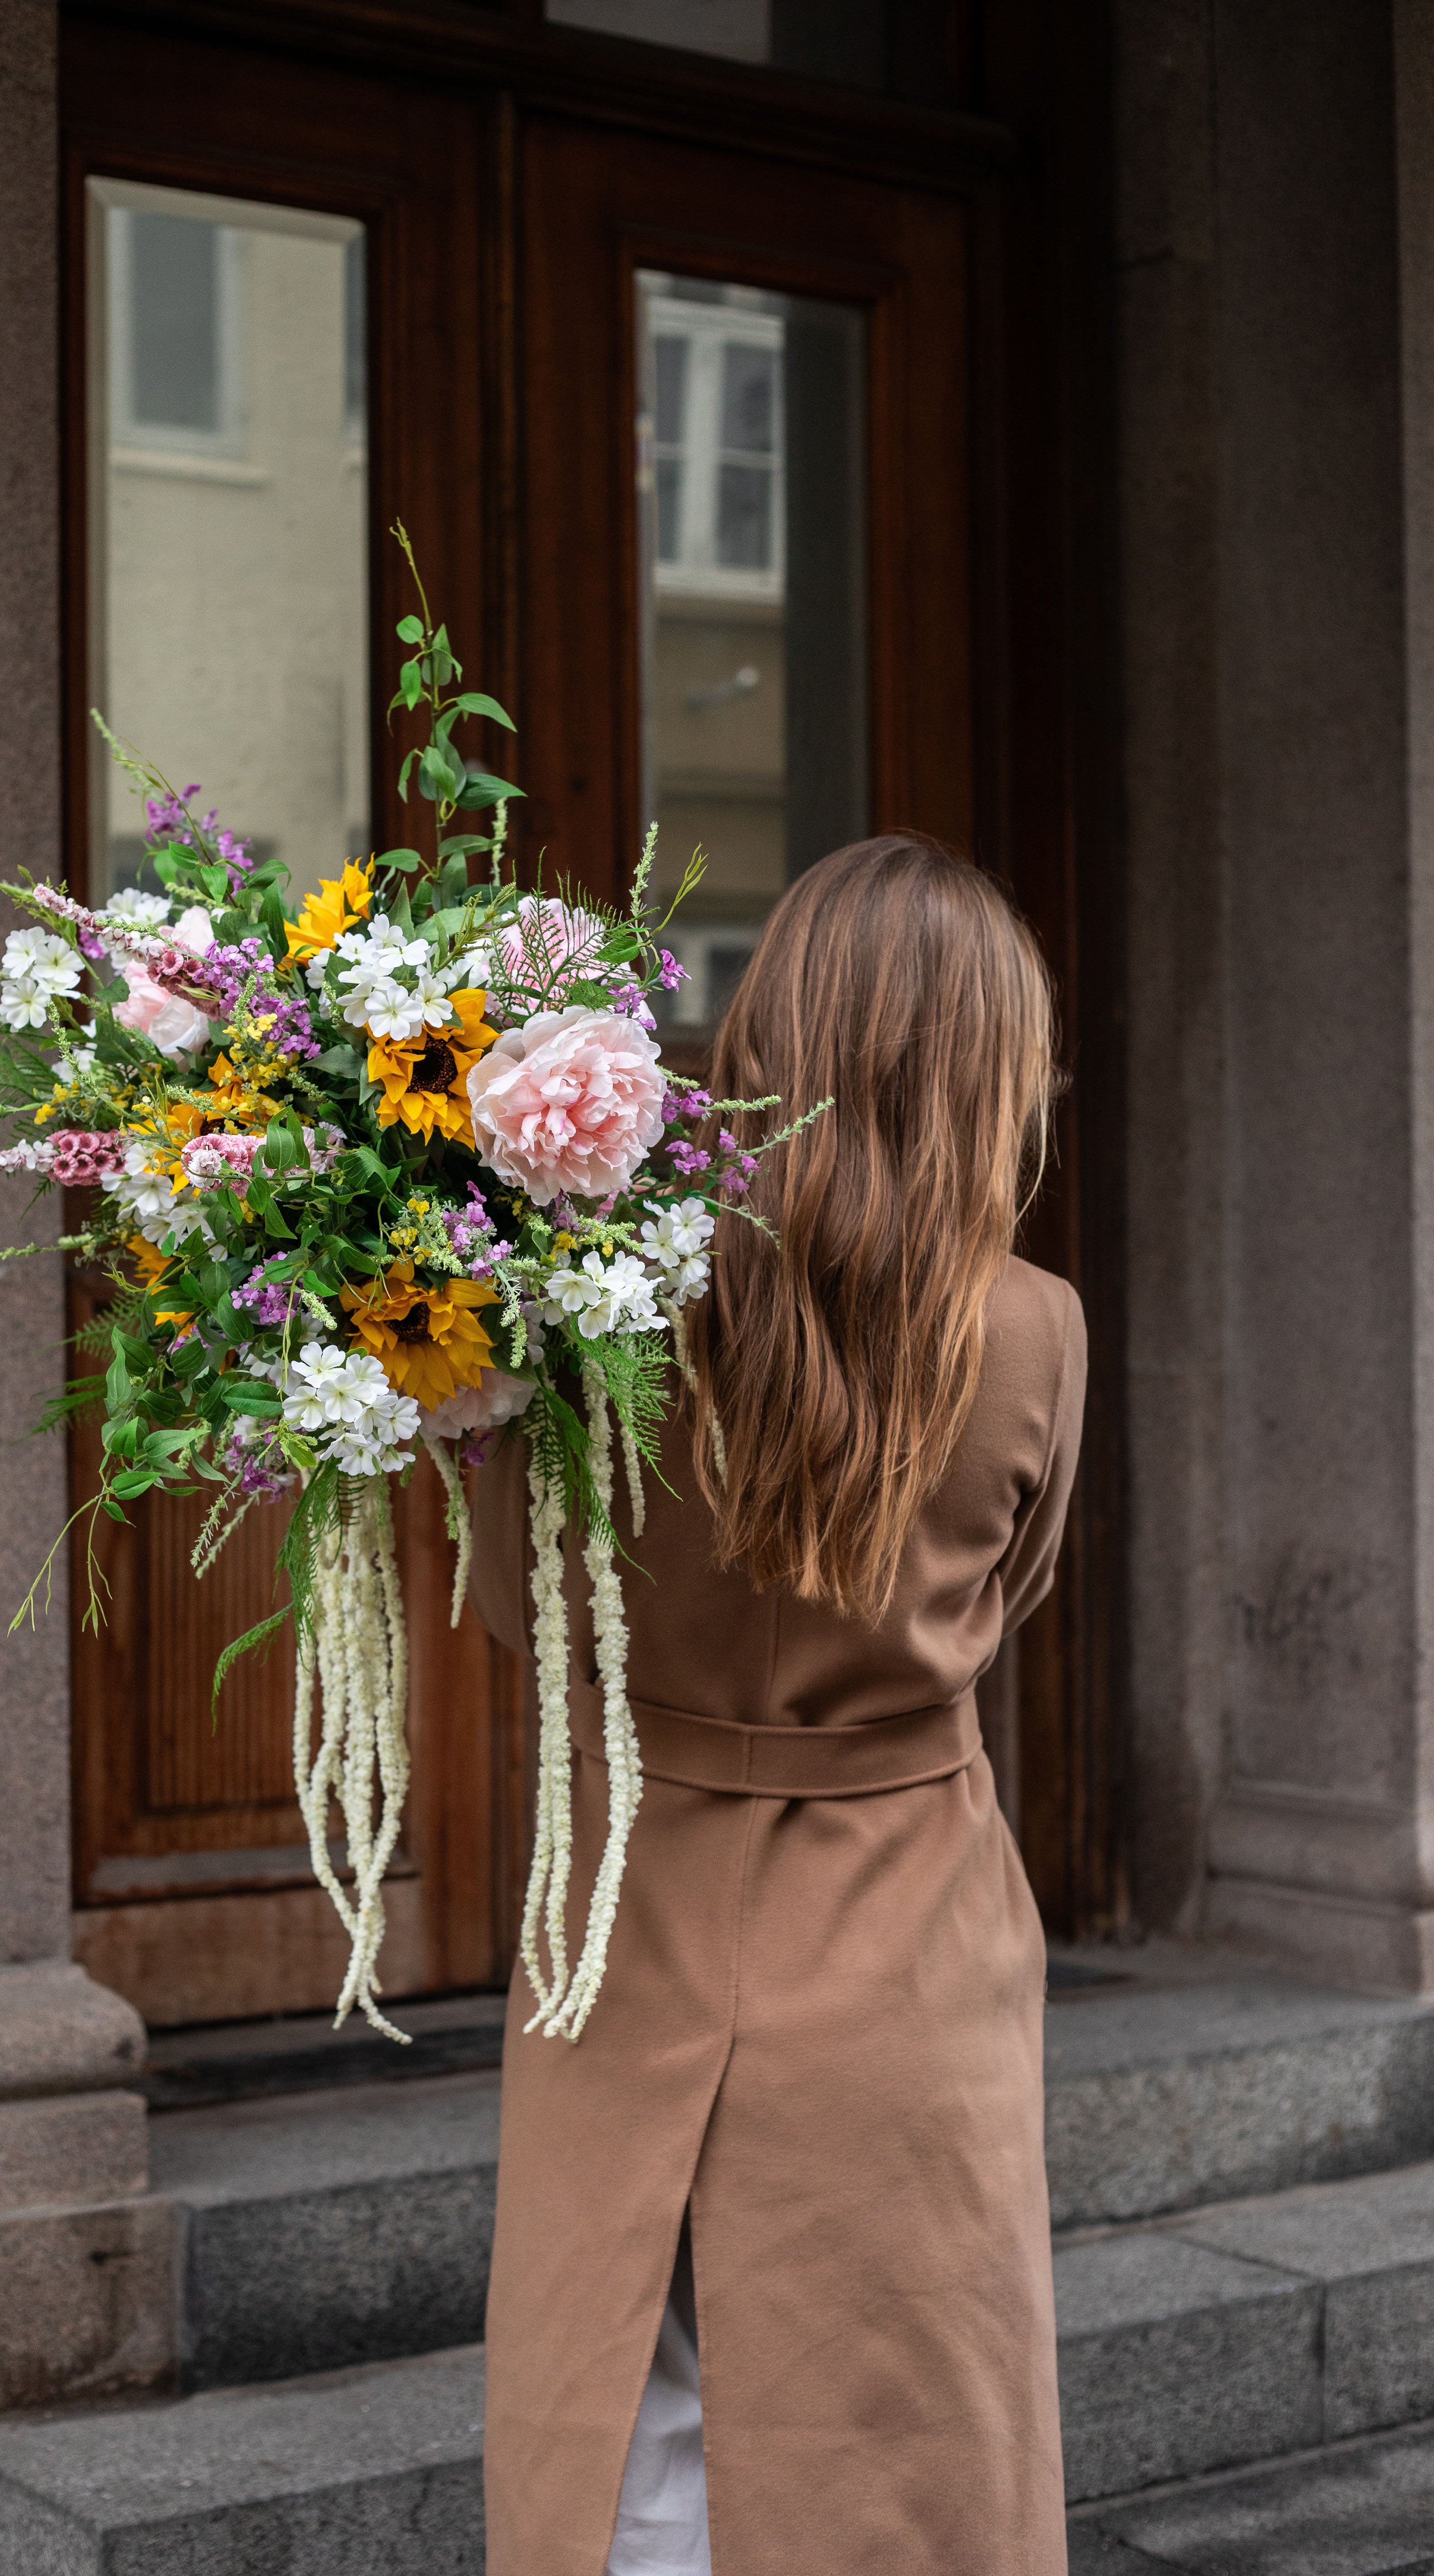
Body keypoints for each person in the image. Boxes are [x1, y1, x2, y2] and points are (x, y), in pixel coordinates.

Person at [469, 836, 1087, 2576]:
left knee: (625, 2411)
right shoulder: (1032, 1330)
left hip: (632, 1897)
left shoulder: (593, 1308)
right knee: (905, 2448)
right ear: (982, 1064)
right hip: (906, 1926)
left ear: (767, 1026)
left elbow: (523, 1601)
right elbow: (1004, 1601)